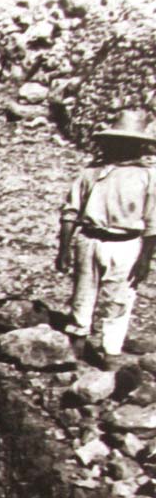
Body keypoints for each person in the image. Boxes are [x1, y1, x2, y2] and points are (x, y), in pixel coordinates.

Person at [56, 109, 156, 368]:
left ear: (139, 145)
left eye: (130, 142)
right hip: (89, 238)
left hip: (126, 243)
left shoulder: (148, 175)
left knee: (119, 299)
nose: (123, 147)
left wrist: (145, 258)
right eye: (118, 141)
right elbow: (70, 211)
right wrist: (64, 248)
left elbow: (152, 222)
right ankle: (75, 346)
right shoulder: (92, 172)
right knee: (83, 293)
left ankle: (111, 353)